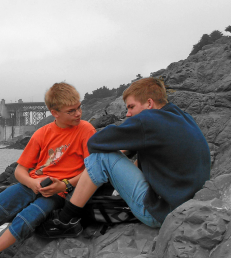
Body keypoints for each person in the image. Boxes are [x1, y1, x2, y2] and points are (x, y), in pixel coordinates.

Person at [38, 77, 211, 237]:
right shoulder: (180, 116)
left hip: (161, 212)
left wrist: (121, 148)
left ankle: (65, 220)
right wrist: (128, 149)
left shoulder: (149, 119)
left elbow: (95, 143)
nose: (127, 113)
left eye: (131, 107)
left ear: (149, 103)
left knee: (101, 158)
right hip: (184, 203)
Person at [0, 82, 96, 258]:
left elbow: (92, 170)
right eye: (71, 111)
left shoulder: (86, 130)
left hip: (58, 193)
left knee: (27, 219)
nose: (78, 113)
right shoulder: (41, 133)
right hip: (32, 184)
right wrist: (33, 183)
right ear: (54, 113)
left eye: (79, 108)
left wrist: (64, 185)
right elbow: (19, 171)